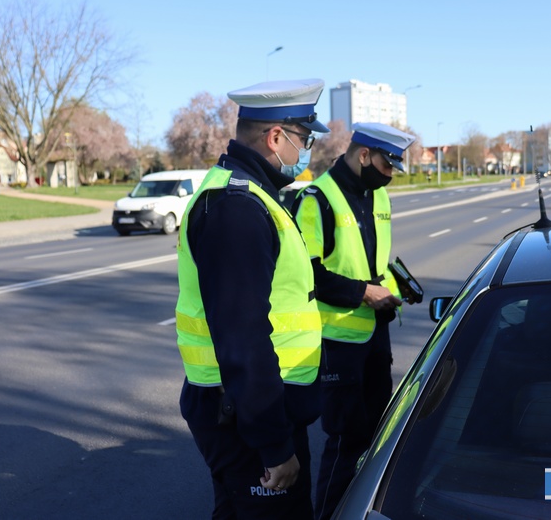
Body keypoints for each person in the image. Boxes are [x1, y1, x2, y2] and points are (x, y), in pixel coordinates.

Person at [176, 78, 329, 519]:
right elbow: (243, 336)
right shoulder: (237, 206)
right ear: (275, 137)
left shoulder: (251, 194)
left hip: (244, 410)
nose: (307, 149)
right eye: (305, 139)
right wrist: (274, 445)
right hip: (246, 419)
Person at [291, 122, 418, 520]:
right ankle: (329, 514)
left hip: (375, 335)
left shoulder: (377, 196)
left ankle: (363, 508)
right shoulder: (318, 200)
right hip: (337, 342)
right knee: (346, 440)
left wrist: (398, 285)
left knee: (376, 435)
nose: (391, 174)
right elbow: (305, 272)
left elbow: (371, 263)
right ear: (363, 155)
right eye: (387, 164)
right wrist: (365, 293)